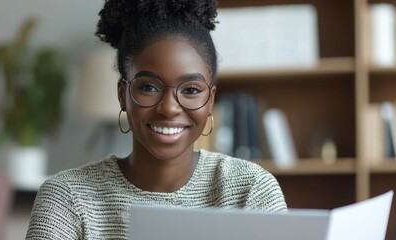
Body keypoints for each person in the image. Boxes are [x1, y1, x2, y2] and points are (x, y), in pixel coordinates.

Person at [25, 0, 287, 239]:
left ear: (210, 100)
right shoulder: (67, 197)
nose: (169, 108)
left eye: (192, 90)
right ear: (122, 94)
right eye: (149, 87)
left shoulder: (251, 190)